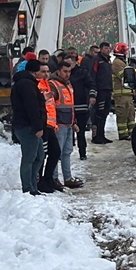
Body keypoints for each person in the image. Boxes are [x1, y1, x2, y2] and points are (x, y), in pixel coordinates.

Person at [9, 60, 47, 195]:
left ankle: (32, 186)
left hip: (26, 125)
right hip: (27, 126)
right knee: (30, 158)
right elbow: (32, 107)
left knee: (39, 156)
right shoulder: (27, 84)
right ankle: (28, 188)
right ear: (35, 71)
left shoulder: (25, 83)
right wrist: (38, 127)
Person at [52, 60, 84, 188]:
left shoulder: (68, 85)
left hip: (68, 123)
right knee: (56, 153)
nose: (67, 74)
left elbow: (70, 106)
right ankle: (54, 178)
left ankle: (67, 177)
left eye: (69, 71)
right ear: (58, 71)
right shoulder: (53, 84)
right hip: (59, 124)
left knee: (67, 152)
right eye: (65, 71)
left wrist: (73, 121)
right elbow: (50, 106)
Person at [36, 63, 63, 193]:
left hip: (50, 125)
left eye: (47, 71)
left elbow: (51, 106)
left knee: (55, 152)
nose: (46, 74)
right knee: (43, 154)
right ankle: (40, 180)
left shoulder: (47, 84)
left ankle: (47, 179)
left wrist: (54, 123)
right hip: (44, 125)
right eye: (43, 72)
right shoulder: (38, 85)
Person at [68, 46, 92, 160]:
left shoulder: (82, 73)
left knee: (81, 132)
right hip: (66, 108)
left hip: (80, 106)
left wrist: (92, 96)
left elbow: (91, 84)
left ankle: (82, 153)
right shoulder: (61, 75)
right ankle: (66, 153)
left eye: (70, 63)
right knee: (67, 133)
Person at [90, 41, 114, 144]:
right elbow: (93, 75)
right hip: (100, 91)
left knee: (105, 113)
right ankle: (96, 136)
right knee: (98, 114)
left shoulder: (108, 61)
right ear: (101, 49)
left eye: (109, 48)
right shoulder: (97, 60)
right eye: (105, 48)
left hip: (107, 90)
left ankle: (102, 135)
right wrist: (94, 91)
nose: (108, 50)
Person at [111, 43, 135, 140]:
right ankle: (123, 134)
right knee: (122, 115)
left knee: (130, 115)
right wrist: (132, 71)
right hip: (121, 95)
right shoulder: (117, 63)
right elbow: (124, 76)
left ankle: (132, 133)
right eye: (125, 50)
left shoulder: (122, 62)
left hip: (127, 94)